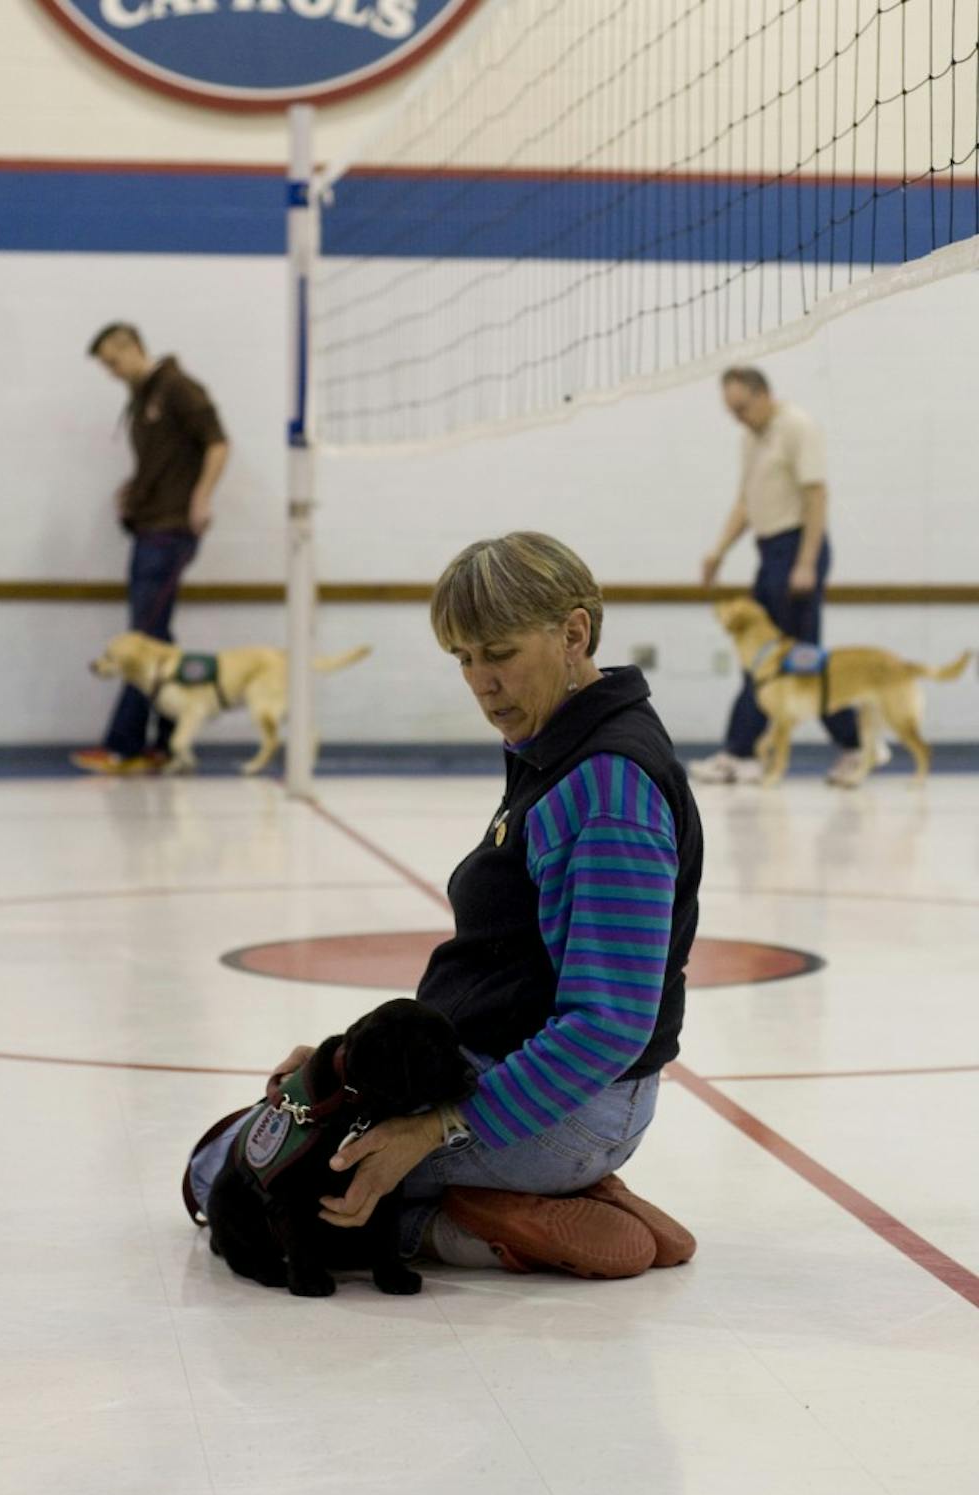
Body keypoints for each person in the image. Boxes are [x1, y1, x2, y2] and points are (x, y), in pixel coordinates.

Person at [266, 532, 702, 1279]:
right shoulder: (558, 745)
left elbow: (609, 1025)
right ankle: (539, 1188)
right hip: (520, 1079)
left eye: (498, 653)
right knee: (288, 1121)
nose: (480, 681)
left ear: (574, 632)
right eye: (463, 658)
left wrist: (433, 1128)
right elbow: (508, 964)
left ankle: (456, 1223)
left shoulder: (605, 787)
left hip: (577, 1108)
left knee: (250, 1172)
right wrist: (353, 1065)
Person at [689, 366, 875, 789]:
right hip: (770, 552)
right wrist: (717, 551)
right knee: (762, 658)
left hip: (797, 550)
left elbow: (816, 495)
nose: (737, 416)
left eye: (741, 407)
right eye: (730, 410)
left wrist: (806, 562)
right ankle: (744, 753)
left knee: (803, 659)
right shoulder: (750, 439)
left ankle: (853, 744)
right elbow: (745, 504)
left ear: (763, 394)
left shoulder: (797, 427)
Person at [71, 324, 229, 775]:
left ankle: (125, 745)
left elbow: (218, 442)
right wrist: (136, 488)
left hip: (171, 531)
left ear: (132, 347)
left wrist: (201, 498)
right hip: (148, 528)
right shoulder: (143, 399)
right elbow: (164, 460)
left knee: (138, 644)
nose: (111, 371)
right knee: (155, 638)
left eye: (112, 361)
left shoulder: (178, 388)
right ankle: (163, 743)